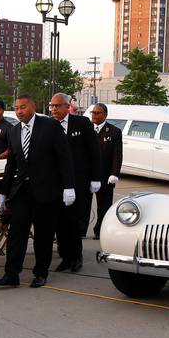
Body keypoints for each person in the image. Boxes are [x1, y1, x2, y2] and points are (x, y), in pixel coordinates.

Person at [0, 95, 74, 288]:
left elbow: (65, 158)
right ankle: (12, 274)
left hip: (46, 191)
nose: (19, 111)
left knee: (43, 235)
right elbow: (11, 164)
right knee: (16, 234)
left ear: (33, 107)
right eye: (16, 108)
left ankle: (40, 273)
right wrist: (4, 192)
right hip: (21, 191)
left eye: (23, 107)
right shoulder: (13, 131)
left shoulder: (50, 127)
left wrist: (69, 187)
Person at [50, 92, 101, 272]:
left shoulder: (82, 123)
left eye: (57, 106)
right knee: (60, 222)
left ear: (67, 106)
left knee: (74, 220)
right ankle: (65, 256)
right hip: (57, 182)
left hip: (79, 180)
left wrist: (96, 177)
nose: (54, 109)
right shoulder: (49, 125)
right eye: (52, 106)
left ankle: (76, 256)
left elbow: (94, 151)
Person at [91, 103, 123, 240]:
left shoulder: (114, 131)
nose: (94, 115)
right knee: (83, 206)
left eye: (97, 113)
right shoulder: (87, 129)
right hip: (88, 174)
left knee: (104, 206)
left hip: (105, 175)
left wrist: (114, 173)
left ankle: (100, 230)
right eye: (93, 113)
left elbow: (117, 154)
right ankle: (80, 230)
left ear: (105, 115)